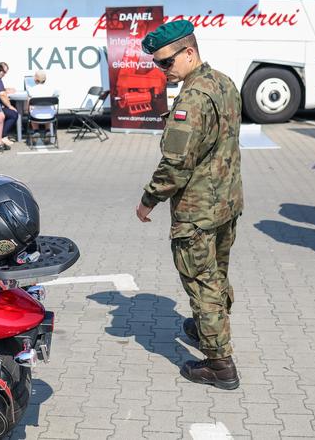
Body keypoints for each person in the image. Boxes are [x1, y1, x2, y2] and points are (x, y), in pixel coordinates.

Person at [136, 20, 243, 390]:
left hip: (198, 211)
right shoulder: (224, 82)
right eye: (156, 63)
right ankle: (205, 329)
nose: (162, 70)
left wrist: (148, 200)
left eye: (166, 62)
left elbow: (176, 164)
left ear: (189, 52)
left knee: (202, 283)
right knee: (218, 273)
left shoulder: (192, 99)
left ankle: (219, 364)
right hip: (226, 203)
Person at [27, 70, 58, 144]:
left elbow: (28, 105)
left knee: (32, 111)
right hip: (50, 116)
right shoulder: (51, 89)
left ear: (35, 79)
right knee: (47, 109)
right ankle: (47, 131)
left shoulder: (31, 90)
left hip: (36, 116)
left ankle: (36, 131)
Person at [0, 62, 18, 149]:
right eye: (5, 72)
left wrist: (6, 90)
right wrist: (10, 106)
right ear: (0, 70)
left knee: (10, 111)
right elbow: (1, 95)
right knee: (14, 114)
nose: (5, 74)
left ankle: (3, 136)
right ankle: (2, 136)